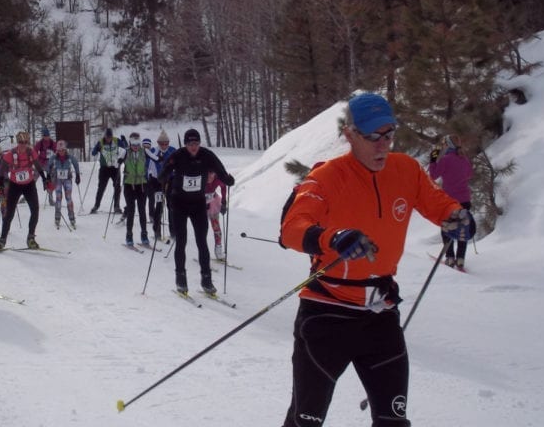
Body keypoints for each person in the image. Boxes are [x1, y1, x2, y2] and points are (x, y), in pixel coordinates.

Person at [279, 92, 475, 427]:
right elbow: (292, 229)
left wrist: (457, 216)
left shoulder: (406, 170)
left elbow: (437, 201)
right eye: (372, 137)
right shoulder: (326, 177)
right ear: (350, 135)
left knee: (393, 421)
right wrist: (333, 237)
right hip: (327, 315)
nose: (382, 145)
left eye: (388, 135)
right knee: (305, 421)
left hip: (379, 315)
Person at [158, 128, 235, 295]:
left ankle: (206, 280)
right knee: (182, 241)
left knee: (202, 241)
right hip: (179, 203)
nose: (193, 147)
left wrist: (227, 179)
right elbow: (165, 169)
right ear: (185, 144)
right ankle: (181, 278)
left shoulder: (207, 155)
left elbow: (220, 170)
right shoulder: (178, 155)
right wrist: (162, 178)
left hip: (199, 204)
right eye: (190, 144)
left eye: (196, 143)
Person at [0, 131, 49, 252]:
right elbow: (3, 168)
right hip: (15, 186)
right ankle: (2, 240)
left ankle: (30, 238)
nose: (23, 145)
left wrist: (44, 179)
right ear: (17, 142)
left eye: (25, 142)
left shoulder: (30, 152)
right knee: (9, 214)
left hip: (29, 185)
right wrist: (1, 184)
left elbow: (38, 165)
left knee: (35, 210)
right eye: (20, 142)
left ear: (27, 142)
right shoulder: (11, 154)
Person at [428, 134, 474, 270]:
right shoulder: (464, 159)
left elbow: (433, 175)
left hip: (449, 201)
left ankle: (450, 258)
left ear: (448, 145)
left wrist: (433, 158)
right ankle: (460, 260)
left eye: (444, 144)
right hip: (465, 200)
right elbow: (469, 174)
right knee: (462, 229)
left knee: (447, 228)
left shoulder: (446, 160)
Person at [121, 132, 156, 246]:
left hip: (141, 185)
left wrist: (163, 160)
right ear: (130, 142)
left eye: (137, 143)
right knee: (131, 211)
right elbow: (118, 160)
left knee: (142, 211)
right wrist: (118, 162)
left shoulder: (144, 151)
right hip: (129, 185)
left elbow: (156, 158)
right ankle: (129, 236)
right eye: (133, 144)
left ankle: (144, 235)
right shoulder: (126, 151)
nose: (135, 146)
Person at [90, 127, 126, 214]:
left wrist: (124, 141)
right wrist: (97, 148)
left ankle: (116, 207)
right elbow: (93, 153)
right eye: (107, 137)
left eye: (110, 137)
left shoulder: (117, 141)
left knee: (117, 187)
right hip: (104, 168)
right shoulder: (101, 142)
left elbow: (125, 150)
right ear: (105, 136)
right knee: (101, 188)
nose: (108, 139)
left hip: (115, 168)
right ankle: (96, 205)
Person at [48, 140, 81, 229]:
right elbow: (49, 165)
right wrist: (48, 175)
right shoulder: (54, 158)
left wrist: (77, 175)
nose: (61, 152)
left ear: (65, 150)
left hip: (67, 180)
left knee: (69, 198)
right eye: (59, 150)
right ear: (57, 150)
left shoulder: (70, 157)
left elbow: (76, 164)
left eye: (63, 150)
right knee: (58, 199)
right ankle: (57, 218)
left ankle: (72, 217)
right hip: (57, 180)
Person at [153, 130, 176, 241]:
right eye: (161, 143)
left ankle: (173, 231)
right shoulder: (154, 151)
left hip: (171, 181)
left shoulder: (173, 151)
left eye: (166, 143)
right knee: (159, 206)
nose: (164, 146)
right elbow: (148, 164)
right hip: (158, 182)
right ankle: (157, 231)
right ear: (158, 143)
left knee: (171, 206)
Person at [205, 170, 228, 259]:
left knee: (216, 228)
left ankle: (218, 249)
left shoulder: (218, 179)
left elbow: (223, 187)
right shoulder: (201, 177)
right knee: (202, 230)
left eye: (211, 174)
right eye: (207, 174)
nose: (209, 177)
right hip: (200, 205)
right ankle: (203, 251)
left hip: (213, 204)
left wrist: (224, 203)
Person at [35, 128, 56, 205]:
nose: (46, 137)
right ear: (42, 136)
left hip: (49, 164)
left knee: (51, 181)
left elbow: (57, 151)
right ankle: (26, 196)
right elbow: (34, 152)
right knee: (33, 179)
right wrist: (36, 160)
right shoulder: (39, 143)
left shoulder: (52, 143)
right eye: (45, 135)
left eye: (47, 135)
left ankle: (50, 199)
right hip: (40, 163)